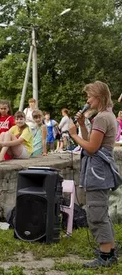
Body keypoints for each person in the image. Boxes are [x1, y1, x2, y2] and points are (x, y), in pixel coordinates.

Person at [69, 80, 122, 268]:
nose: (87, 100)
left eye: (89, 96)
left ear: (98, 97)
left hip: (97, 170)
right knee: (99, 210)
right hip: (99, 169)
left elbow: (91, 148)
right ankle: (109, 250)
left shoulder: (101, 118)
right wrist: (83, 126)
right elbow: (91, 141)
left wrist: (74, 135)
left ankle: (106, 255)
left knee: (96, 212)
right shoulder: (106, 115)